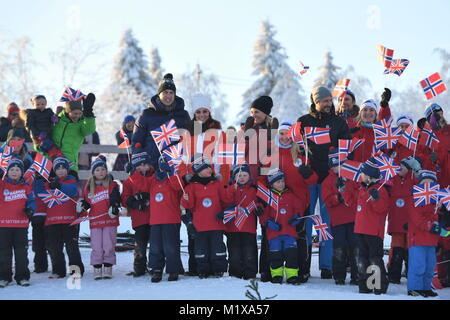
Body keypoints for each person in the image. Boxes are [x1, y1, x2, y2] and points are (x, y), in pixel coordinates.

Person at [297, 86, 351, 279]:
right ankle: (304, 264)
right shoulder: (303, 121)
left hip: (329, 178)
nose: (329, 104)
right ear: (316, 101)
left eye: (330, 100)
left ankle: (326, 265)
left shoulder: (338, 122)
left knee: (327, 223)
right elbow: (294, 147)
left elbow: (346, 149)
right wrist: (300, 165)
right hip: (309, 178)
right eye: (325, 101)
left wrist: (338, 170)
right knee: (308, 220)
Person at [260, 121, 317, 283]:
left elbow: (313, 181)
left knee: (298, 238)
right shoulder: (270, 156)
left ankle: (301, 270)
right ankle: (269, 270)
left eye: (288, 135)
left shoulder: (300, 156)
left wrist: (307, 174)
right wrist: (263, 197)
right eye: (282, 134)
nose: (285, 138)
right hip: (274, 204)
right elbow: (261, 178)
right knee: (270, 237)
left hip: (298, 205)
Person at [243, 95, 279, 282]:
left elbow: (272, 155)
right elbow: (240, 153)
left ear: (265, 113)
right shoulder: (247, 130)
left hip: (266, 183)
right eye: (252, 112)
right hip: (249, 183)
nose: (254, 115)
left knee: (267, 227)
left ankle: (267, 268)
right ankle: (248, 268)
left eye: (257, 112)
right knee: (248, 227)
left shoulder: (272, 130)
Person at [180, 155, 231, 279]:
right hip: (200, 225)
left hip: (215, 223)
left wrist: (229, 189)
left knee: (217, 248)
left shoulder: (217, 184)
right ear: (198, 171)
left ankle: (218, 269)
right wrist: (184, 199)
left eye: (209, 167)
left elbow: (226, 200)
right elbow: (189, 205)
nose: (210, 169)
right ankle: (202, 270)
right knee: (201, 249)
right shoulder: (191, 186)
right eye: (206, 168)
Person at [343, 160, 390, 294]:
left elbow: (382, 209)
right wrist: (343, 191)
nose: (361, 175)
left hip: (374, 231)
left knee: (374, 258)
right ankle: (365, 285)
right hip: (360, 229)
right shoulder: (362, 188)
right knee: (362, 259)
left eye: (363, 173)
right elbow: (352, 203)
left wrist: (376, 199)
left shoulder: (380, 190)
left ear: (369, 176)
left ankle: (379, 285)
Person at [34, 156, 84, 278]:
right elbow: (38, 192)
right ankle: (58, 270)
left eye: (63, 168)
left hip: (69, 221)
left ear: (67, 169)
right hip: (52, 222)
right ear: (54, 170)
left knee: (72, 248)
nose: (61, 170)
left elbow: (72, 191)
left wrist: (59, 185)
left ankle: (75, 270)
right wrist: (39, 179)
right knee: (55, 248)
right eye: (58, 168)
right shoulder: (49, 183)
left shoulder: (72, 180)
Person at [132, 73, 191, 170]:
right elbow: (137, 143)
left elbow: (191, 139)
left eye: (171, 93)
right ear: (159, 94)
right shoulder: (146, 115)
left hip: (176, 167)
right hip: (151, 168)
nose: (168, 95)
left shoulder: (183, 115)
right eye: (165, 92)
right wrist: (141, 162)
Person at [258, 170, 306, 285]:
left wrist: (296, 217)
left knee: (291, 255)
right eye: (278, 182)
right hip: (274, 234)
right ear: (272, 184)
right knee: (275, 255)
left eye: (282, 181)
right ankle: (277, 276)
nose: (281, 184)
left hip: (290, 233)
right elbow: (263, 215)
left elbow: (299, 209)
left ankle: (292, 276)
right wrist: (268, 222)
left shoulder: (291, 196)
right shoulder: (269, 197)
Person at [77, 155, 121, 280]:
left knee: (108, 245)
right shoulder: (89, 186)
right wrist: (82, 205)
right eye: (97, 170)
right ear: (93, 172)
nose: (100, 172)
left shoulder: (112, 185)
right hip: (95, 221)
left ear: (106, 171)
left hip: (109, 220)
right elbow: (88, 203)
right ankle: (97, 267)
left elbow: (116, 199)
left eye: (103, 169)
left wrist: (114, 207)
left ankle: (107, 266)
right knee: (96, 245)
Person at [407, 170, 450, 297]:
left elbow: (434, 218)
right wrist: (431, 226)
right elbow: (417, 219)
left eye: (431, 183)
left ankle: (425, 288)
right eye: (425, 182)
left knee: (430, 265)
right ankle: (414, 288)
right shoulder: (414, 198)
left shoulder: (434, 202)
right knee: (418, 264)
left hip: (431, 240)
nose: (427, 185)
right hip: (417, 238)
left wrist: (439, 209)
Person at [321, 148, 359, 285]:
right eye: (335, 165)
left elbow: (358, 195)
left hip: (354, 219)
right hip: (338, 221)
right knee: (339, 248)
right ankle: (339, 276)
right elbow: (327, 200)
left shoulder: (353, 178)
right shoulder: (327, 181)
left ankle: (356, 275)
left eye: (341, 165)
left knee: (356, 248)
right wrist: (338, 198)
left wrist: (346, 193)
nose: (338, 168)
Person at [0, 157, 36, 288]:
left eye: (18, 169)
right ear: (7, 172)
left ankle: (22, 276)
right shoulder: (2, 184)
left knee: (21, 253)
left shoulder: (26, 186)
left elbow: (32, 201)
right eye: (12, 169)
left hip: (20, 225)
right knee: (4, 253)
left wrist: (31, 210)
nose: (14, 172)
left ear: (22, 172)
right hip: (3, 225)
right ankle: (4, 277)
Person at [148, 156, 185, 282]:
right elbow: (142, 185)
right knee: (155, 247)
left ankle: (173, 270)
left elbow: (178, 187)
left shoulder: (174, 179)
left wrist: (171, 173)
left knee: (171, 247)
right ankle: (156, 270)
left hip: (171, 219)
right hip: (156, 220)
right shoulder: (153, 179)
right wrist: (134, 172)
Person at [219, 164, 259, 280]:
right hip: (233, 227)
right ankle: (235, 273)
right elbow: (226, 201)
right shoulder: (230, 188)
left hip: (249, 227)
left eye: (245, 175)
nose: (242, 178)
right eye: (239, 175)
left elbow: (258, 202)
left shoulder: (253, 189)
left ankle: (250, 273)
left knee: (249, 251)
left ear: (249, 176)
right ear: (234, 177)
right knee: (234, 251)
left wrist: (259, 207)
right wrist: (232, 189)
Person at [386, 156, 421, 284]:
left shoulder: (414, 181)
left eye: (404, 166)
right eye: (400, 165)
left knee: (409, 250)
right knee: (396, 249)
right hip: (395, 221)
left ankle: (410, 273)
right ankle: (393, 275)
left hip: (410, 221)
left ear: (409, 169)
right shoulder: (391, 180)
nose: (400, 168)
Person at [121, 152, 152, 277]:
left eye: (145, 164)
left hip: (154, 217)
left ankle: (154, 266)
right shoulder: (130, 181)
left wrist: (145, 196)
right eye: (139, 165)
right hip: (139, 218)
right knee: (140, 244)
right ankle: (139, 267)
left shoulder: (155, 177)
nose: (142, 167)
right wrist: (134, 202)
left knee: (155, 245)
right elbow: (124, 199)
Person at [51, 91, 97, 172]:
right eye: (75, 113)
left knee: (69, 184)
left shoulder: (81, 124)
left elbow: (89, 129)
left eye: (80, 113)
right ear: (68, 112)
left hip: (69, 163)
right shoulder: (58, 120)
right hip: (52, 161)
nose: (77, 116)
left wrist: (88, 113)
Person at [350, 89, 392, 163]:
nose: (368, 112)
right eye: (365, 110)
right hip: (355, 171)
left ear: (376, 115)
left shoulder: (380, 133)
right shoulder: (353, 132)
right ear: (360, 113)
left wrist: (384, 106)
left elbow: (385, 122)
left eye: (371, 110)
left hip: (374, 172)